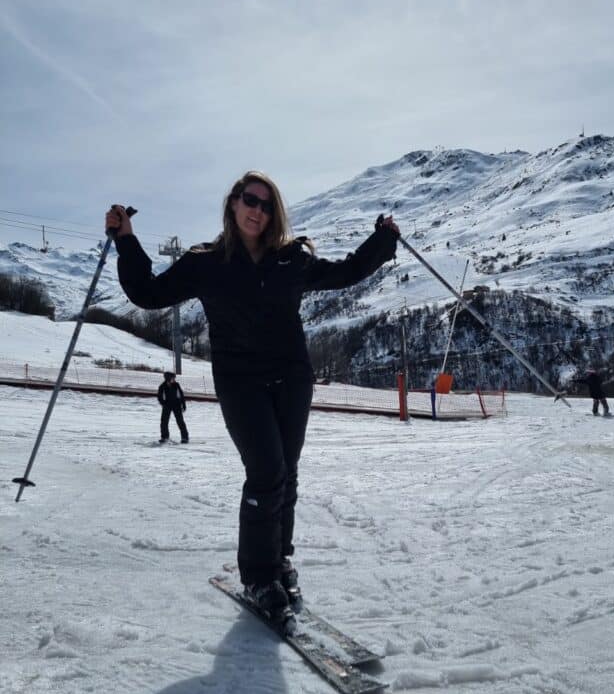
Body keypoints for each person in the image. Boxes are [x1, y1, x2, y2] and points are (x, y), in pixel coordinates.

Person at [105, 171, 400, 627]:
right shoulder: (206, 262)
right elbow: (148, 293)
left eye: (265, 204)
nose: (256, 210)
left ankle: (279, 559)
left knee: (287, 472)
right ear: (233, 203)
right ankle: (259, 577)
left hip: (292, 378)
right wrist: (126, 240)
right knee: (266, 471)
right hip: (240, 382)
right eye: (249, 200)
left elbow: (346, 272)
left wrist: (383, 240)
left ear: (273, 212)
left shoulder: (292, 259)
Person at [158, 371, 189, 443]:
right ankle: (164, 437)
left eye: (174, 378)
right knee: (164, 421)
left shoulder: (176, 385)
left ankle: (185, 438)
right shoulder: (162, 386)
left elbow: (181, 395)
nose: (174, 379)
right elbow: (159, 397)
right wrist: (163, 403)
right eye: (173, 378)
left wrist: (183, 405)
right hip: (167, 405)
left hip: (176, 405)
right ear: (168, 378)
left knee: (180, 421)